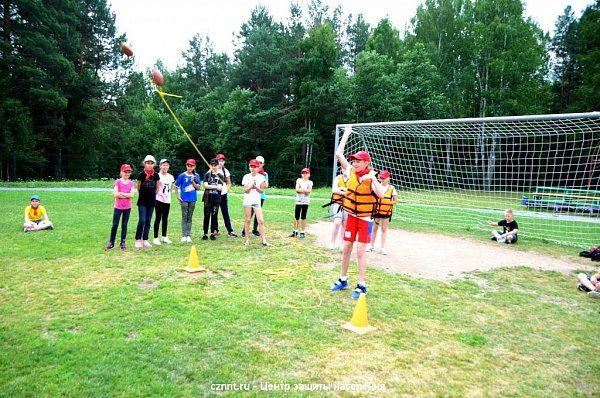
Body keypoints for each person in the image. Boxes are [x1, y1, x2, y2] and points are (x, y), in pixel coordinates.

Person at [330, 126, 386, 299]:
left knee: (360, 251)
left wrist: (373, 180)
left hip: (365, 219)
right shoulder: (349, 171)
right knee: (346, 247)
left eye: (358, 161)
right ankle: (343, 279)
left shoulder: (371, 177)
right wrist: (346, 134)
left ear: (366, 163)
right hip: (351, 216)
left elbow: (382, 195)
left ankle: (362, 284)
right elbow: (339, 154)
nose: (354, 163)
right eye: (353, 160)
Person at [242, 159, 272, 247]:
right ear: (249, 167)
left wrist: (256, 187)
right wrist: (251, 186)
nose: (253, 168)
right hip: (247, 201)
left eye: (254, 167)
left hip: (256, 201)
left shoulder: (261, 177)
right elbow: (245, 191)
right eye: (251, 166)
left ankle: (264, 240)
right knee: (248, 220)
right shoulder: (246, 177)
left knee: (261, 221)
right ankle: (247, 239)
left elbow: (261, 191)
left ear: (258, 167)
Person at [105, 164, 134, 250]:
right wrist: (126, 195)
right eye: (125, 172)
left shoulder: (131, 183)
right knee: (115, 224)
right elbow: (115, 194)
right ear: (121, 172)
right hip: (118, 207)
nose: (127, 173)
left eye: (129, 172)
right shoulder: (117, 182)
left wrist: (121, 193)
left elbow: (131, 195)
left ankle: (123, 242)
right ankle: (111, 242)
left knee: (124, 225)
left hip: (127, 207)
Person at [368, 170, 397, 255]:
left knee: (384, 229)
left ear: (388, 178)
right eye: (381, 178)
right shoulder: (377, 186)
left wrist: (387, 203)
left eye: (384, 178)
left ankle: (382, 248)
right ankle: (371, 245)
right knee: (374, 229)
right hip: (377, 211)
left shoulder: (392, 188)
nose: (382, 179)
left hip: (386, 212)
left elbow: (395, 201)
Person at [135, 155, 160, 249]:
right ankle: (138, 239)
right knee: (142, 220)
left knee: (148, 220)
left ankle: (145, 239)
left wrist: (152, 195)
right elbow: (138, 187)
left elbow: (157, 188)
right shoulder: (141, 175)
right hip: (142, 201)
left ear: (154, 164)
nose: (149, 165)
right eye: (147, 163)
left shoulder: (156, 175)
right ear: (144, 164)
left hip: (151, 201)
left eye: (151, 163)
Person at [174, 159, 201, 243]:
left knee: (190, 217)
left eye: (191, 166)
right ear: (186, 166)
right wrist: (178, 196)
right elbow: (176, 186)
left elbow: (198, 187)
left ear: (194, 167)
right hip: (184, 199)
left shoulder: (196, 175)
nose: (189, 168)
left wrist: (193, 181)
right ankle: (183, 235)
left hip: (192, 199)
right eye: (188, 166)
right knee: (184, 216)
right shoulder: (182, 175)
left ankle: (188, 235)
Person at [214, 153, 237, 237]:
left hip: (223, 195)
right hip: (214, 195)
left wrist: (226, 190)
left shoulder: (225, 171)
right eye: (219, 160)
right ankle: (215, 229)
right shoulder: (212, 170)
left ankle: (230, 230)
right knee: (214, 212)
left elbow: (229, 183)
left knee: (225, 212)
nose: (220, 162)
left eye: (222, 161)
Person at [153, 159, 175, 245]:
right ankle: (155, 237)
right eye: (163, 165)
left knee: (165, 218)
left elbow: (171, 188)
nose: (165, 166)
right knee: (158, 218)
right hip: (159, 199)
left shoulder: (170, 177)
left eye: (167, 165)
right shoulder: (157, 176)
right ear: (160, 166)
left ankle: (164, 236)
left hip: (167, 199)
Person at [202, 158, 224, 240]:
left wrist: (216, 187)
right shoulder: (207, 175)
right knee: (206, 215)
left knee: (214, 215)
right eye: (212, 165)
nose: (214, 167)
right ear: (210, 166)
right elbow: (205, 185)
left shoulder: (221, 176)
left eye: (215, 165)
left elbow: (221, 188)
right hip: (207, 198)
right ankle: (205, 233)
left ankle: (212, 233)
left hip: (216, 199)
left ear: (218, 166)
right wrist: (215, 187)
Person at [288, 168, 313, 239]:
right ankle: (295, 231)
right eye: (303, 173)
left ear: (309, 174)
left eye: (306, 173)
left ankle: (302, 232)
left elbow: (309, 191)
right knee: (296, 216)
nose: (304, 174)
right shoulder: (299, 180)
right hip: (298, 202)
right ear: (301, 174)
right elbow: (297, 189)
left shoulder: (310, 182)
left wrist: (302, 190)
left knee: (303, 217)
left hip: (305, 202)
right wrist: (304, 191)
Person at [328, 173, 348, 250]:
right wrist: (345, 192)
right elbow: (334, 190)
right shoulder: (338, 178)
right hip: (337, 203)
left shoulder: (352, 179)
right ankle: (332, 242)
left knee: (345, 224)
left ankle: (341, 243)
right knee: (337, 222)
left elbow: (352, 191)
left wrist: (340, 188)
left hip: (347, 204)